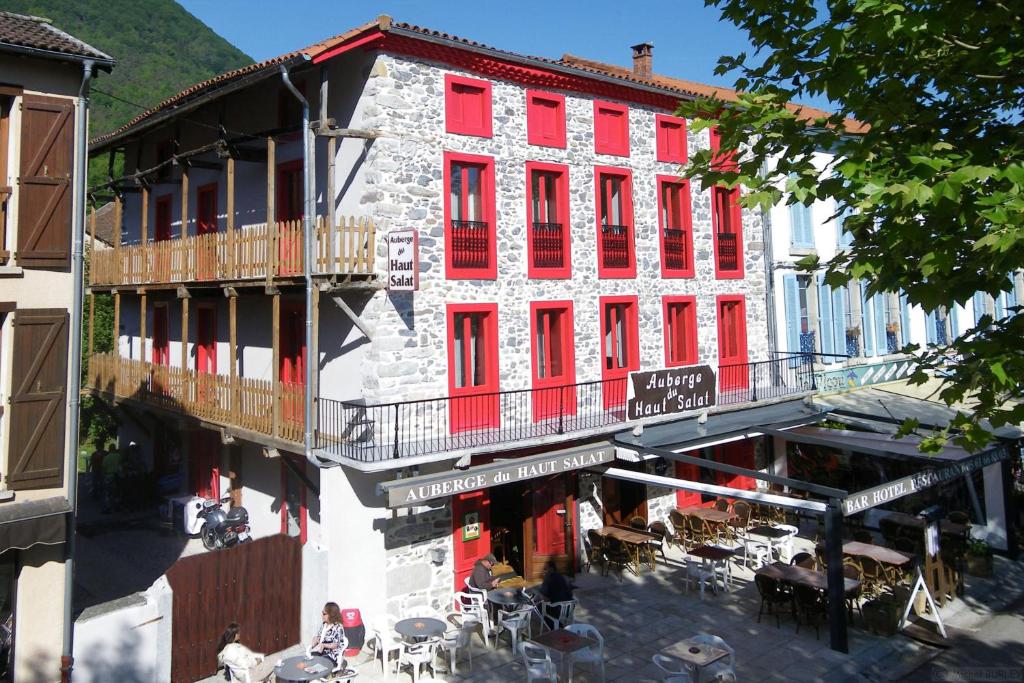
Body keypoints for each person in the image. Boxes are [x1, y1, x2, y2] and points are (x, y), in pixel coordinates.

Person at [536, 560, 576, 629]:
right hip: (569, 609)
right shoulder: (563, 577)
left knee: (539, 607)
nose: (544, 571)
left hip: (557, 610)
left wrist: (538, 599)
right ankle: (558, 625)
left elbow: (545, 599)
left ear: (551, 569)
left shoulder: (548, 579)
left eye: (545, 569)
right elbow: (570, 593)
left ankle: (554, 628)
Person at [310, 602, 347, 668]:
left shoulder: (338, 627)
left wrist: (324, 645)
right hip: (321, 652)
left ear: (331, 614)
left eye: (324, 614)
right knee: (309, 661)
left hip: (331, 655)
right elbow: (319, 636)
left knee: (317, 667)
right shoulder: (324, 624)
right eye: (322, 613)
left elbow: (336, 645)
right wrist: (316, 639)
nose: (322, 615)